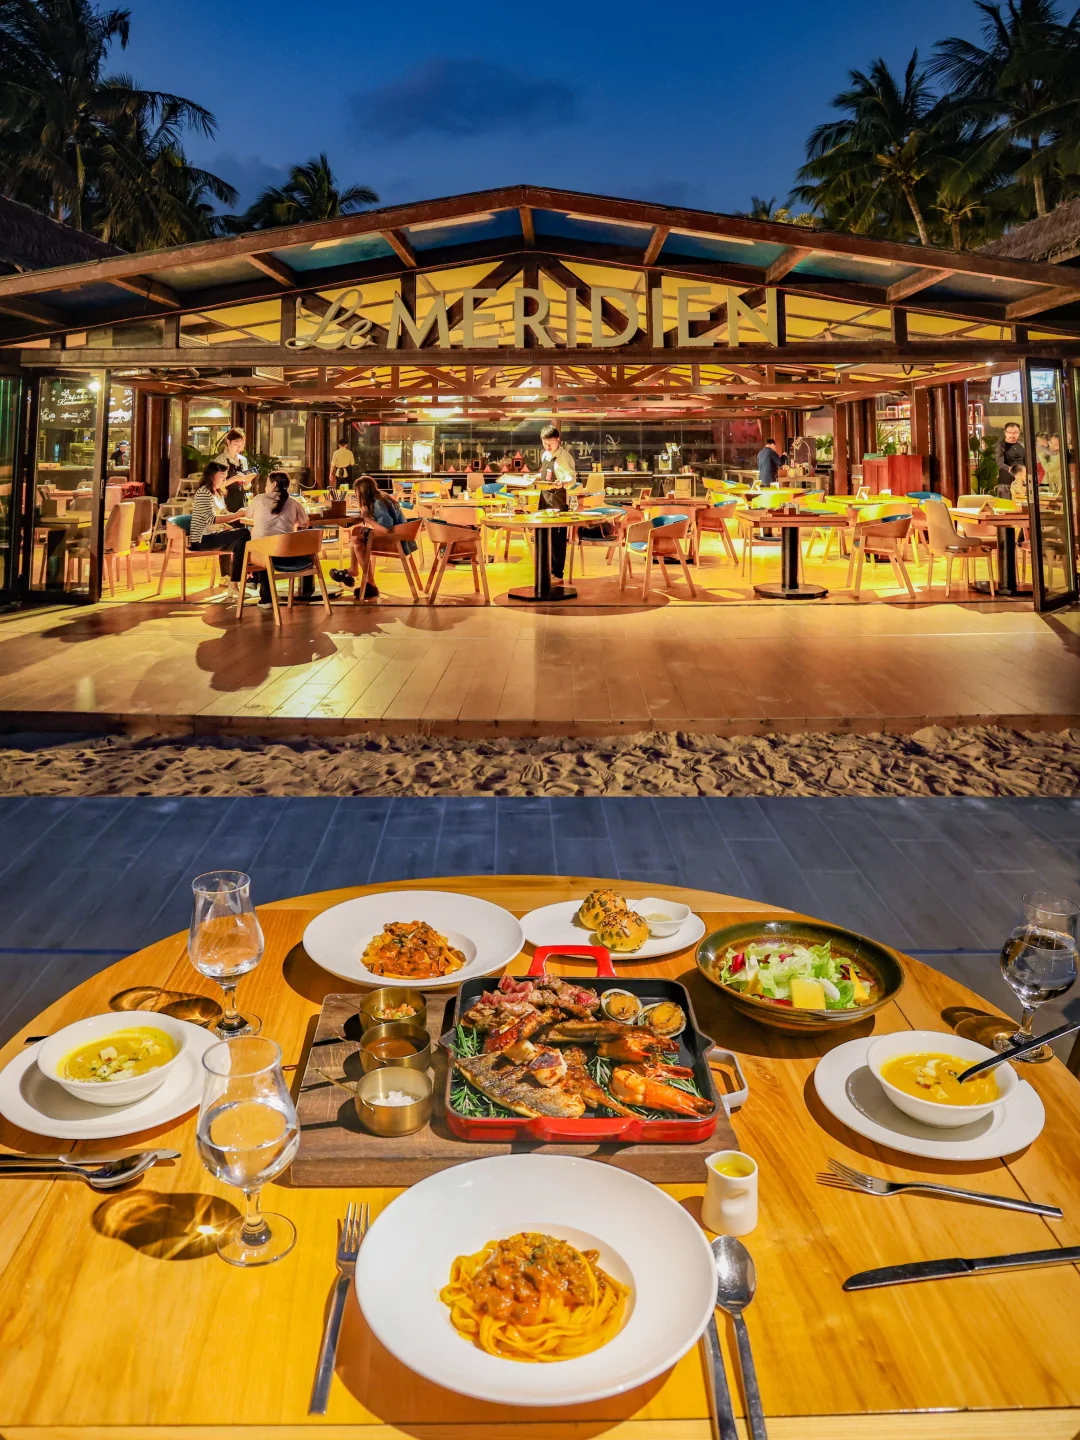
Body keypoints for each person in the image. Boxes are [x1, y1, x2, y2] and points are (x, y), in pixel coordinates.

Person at [238, 470, 340, 609]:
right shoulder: (294, 503)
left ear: (274, 484)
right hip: (289, 556)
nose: (265, 487)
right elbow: (305, 523)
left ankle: (260, 588)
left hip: (268, 555)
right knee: (267, 544)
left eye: (267, 484)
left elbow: (249, 515)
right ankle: (257, 583)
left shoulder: (259, 499)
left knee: (256, 543)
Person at [330, 474, 416, 600]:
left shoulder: (378, 503)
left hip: (395, 541)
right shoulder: (383, 497)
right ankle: (358, 573)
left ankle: (367, 582)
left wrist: (367, 519)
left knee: (357, 541)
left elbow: (386, 529)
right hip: (401, 539)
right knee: (356, 534)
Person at [188, 461, 250, 603]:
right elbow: (212, 519)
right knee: (244, 534)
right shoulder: (204, 492)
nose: (224, 480)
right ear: (211, 476)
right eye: (222, 476)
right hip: (203, 539)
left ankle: (234, 584)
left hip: (214, 535)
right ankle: (244, 579)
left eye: (225, 477)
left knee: (241, 542)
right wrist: (238, 515)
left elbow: (223, 514)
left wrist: (233, 520)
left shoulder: (218, 493)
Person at [537, 423, 577, 581]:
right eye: (544, 443)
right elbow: (545, 474)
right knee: (543, 537)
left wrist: (564, 482)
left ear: (558, 440)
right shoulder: (544, 455)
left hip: (558, 501)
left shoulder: (564, 457)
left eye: (551, 443)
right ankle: (546, 571)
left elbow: (572, 478)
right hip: (544, 498)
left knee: (557, 539)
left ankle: (558, 574)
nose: (547, 446)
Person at [214, 428, 251, 513]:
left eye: (242, 445)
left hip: (241, 500)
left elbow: (245, 486)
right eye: (236, 444)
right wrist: (235, 478)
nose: (239, 447)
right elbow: (216, 485)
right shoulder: (220, 461)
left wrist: (248, 480)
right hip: (224, 500)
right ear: (228, 442)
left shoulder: (243, 460)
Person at [994, 422, 1025, 488]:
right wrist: (1012, 470)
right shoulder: (1001, 446)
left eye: (1015, 432)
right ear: (1005, 432)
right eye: (1010, 432)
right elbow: (999, 463)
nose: (1012, 435)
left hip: (1021, 482)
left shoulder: (1022, 445)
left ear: (1019, 433)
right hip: (1006, 483)